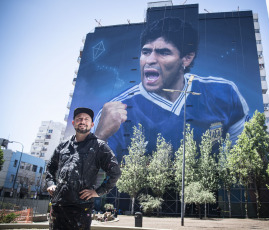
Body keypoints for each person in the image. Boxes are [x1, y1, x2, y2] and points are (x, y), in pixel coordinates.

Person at [93, 17, 249, 161]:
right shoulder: (115, 112)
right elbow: (93, 180)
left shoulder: (224, 93)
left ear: (187, 58)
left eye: (163, 52)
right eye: (146, 52)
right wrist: (100, 137)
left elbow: (241, 161)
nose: (150, 60)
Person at [46, 107, 121, 230]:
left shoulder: (99, 146)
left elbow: (115, 172)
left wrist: (98, 192)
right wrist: (50, 183)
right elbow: (50, 167)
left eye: (86, 119)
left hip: (80, 208)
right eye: (79, 119)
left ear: (92, 124)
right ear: (73, 122)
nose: (82, 121)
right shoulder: (62, 146)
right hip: (58, 206)